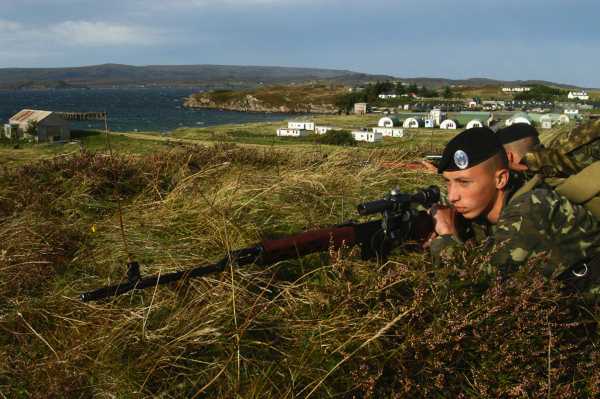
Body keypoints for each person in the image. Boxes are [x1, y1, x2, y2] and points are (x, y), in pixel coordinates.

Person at [429, 127, 600, 293]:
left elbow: (475, 288)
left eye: (464, 182)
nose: (452, 196)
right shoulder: (501, 200)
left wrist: (446, 235)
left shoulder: (533, 206)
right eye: (448, 182)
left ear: (501, 179)